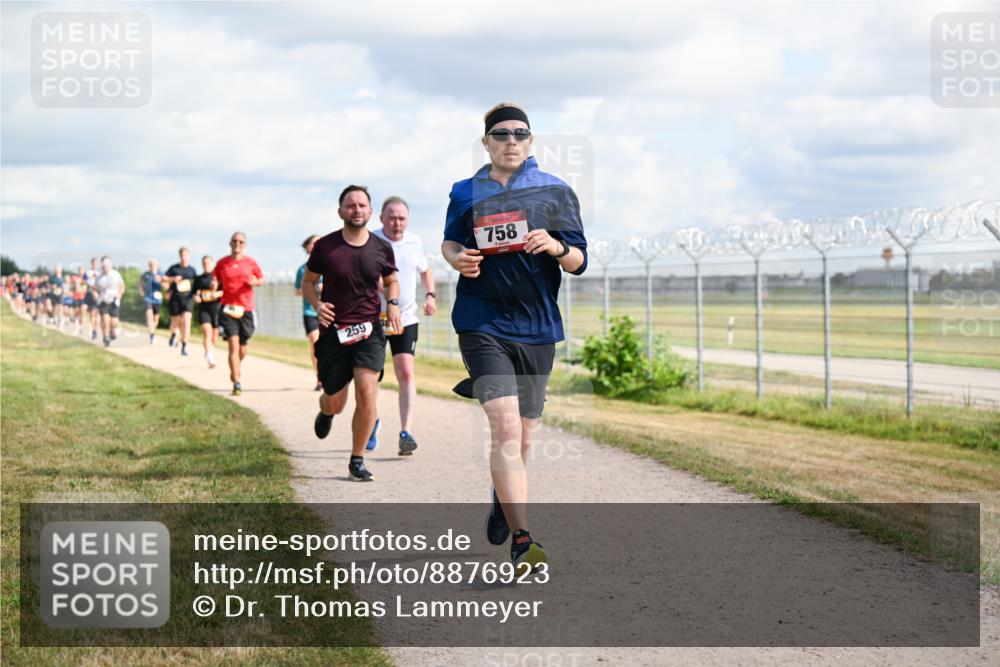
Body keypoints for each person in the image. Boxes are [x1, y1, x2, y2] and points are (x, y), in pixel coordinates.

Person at [442, 102, 588, 569]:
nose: (510, 140)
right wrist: (454, 258)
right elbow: (450, 239)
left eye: (519, 133)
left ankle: (502, 496)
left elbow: (580, 260)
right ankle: (523, 539)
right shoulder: (465, 192)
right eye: (500, 133)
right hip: (481, 320)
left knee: (522, 439)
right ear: (486, 142)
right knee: (504, 428)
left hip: (537, 326)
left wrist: (557, 246)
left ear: (530, 141)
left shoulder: (555, 191)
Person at [301, 185, 401, 483]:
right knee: (336, 400)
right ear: (340, 211)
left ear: (370, 211)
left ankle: (356, 459)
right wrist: (317, 305)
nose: (356, 210)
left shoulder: (381, 248)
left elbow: (391, 280)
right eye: (350, 205)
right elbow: (308, 282)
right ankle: (326, 411)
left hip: (369, 329)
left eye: (361, 205)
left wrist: (393, 304)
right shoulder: (326, 247)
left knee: (367, 392)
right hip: (334, 331)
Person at [372, 196, 436, 455]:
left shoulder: (414, 241)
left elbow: (425, 270)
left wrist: (430, 295)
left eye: (401, 218)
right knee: (371, 375)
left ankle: (406, 432)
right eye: (392, 217)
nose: (397, 223)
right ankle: (370, 422)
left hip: (406, 318)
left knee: (406, 371)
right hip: (374, 317)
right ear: (382, 219)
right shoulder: (372, 240)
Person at [213, 232, 264, 395]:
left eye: (241, 241)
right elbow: (214, 278)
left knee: (242, 350)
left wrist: (255, 282)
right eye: (235, 241)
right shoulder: (222, 263)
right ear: (230, 243)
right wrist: (213, 285)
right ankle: (237, 382)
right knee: (233, 346)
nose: (237, 243)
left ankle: (235, 368)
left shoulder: (251, 262)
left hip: (247, 309)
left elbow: (261, 279)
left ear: (245, 245)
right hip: (228, 309)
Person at [294, 235, 323, 391]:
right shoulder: (302, 269)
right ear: (308, 247)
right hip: (309, 311)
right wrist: (309, 290)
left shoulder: (329, 265)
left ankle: (331, 374)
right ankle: (319, 377)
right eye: (315, 242)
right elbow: (297, 292)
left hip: (327, 311)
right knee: (315, 341)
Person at [165, 247, 197, 356]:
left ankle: (184, 346)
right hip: (175, 298)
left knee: (187, 321)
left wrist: (197, 294)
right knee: (176, 322)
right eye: (182, 255)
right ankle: (174, 334)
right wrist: (173, 279)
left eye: (186, 255)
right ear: (180, 256)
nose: (184, 257)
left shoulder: (192, 270)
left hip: (187, 298)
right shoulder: (174, 268)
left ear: (189, 256)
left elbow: (196, 284)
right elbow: (163, 278)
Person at [193, 255, 223, 368]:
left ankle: (208, 351)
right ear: (202, 264)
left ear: (212, 264)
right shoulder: (199, 278)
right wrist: (196, 297)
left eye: (208, 263)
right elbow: (194, 292)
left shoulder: (218, 277)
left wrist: (217, 294)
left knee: (214, 337)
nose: (206, 265)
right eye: (204, 263)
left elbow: (225, 291)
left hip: (216, 309)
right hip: (204, 309)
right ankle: (210, 358)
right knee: (207, 333)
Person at [95, 256, 126, 347]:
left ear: (110, 266)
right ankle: (106, 337)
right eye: (103, 267)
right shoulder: (98, 276)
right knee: (105, 319)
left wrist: (120, 294)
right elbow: (94, 287)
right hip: (103, 301)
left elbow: (122, 286)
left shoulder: (116, 275)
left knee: (114, 322)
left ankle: (112, 331)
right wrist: (96, 294)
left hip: (114, 301)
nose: (105, 269)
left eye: (107, 267)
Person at [138, 259, 164, 345]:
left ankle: (153, 333)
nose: (152, 266)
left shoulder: (161, 274)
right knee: (149, 316)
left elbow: (166, 285)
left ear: (157, 265)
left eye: (154, 265)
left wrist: (161, 281)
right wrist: (141, 291)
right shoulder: (145, 274)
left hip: (157, 299)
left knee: (155, 319)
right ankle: (152, 335)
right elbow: (138, 283)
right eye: (150, 265)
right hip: (147, 298)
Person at [84, 257, 100, 340]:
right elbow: (83, 281)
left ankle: (95, 330)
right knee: (92, 313)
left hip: (99, 294)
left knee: (97, 314)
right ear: (91, 263)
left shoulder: (100, 272)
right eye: (93, 263)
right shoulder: (87, 272)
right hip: (90, 294)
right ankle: (93, 329)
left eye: (96, 263)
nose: (95, 264)